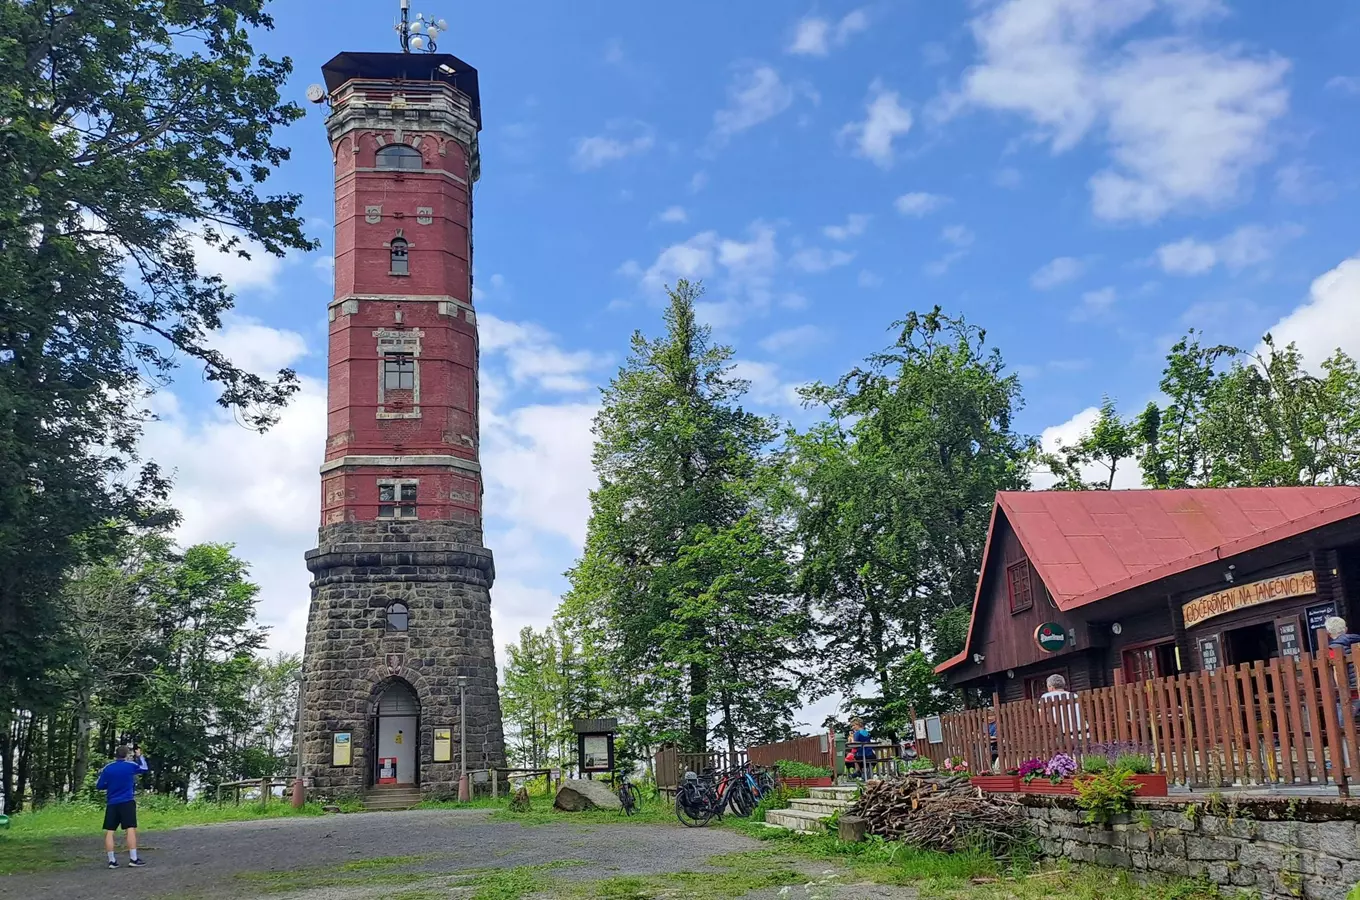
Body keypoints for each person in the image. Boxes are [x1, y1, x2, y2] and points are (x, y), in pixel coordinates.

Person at [95, 745, 149, 868]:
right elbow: (144, 768)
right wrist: (139, 756)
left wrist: (110, 786)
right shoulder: (130, 766)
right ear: (126, 755)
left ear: (116, 755)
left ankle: (112, 861)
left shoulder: (108, 768)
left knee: (110, 831)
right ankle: (133, 858)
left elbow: (99, 785)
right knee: (130, 829)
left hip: (112, 802)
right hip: (127, 801)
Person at [1326, 616, 1360, 718]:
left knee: (1342, 723)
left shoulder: (1333, 649)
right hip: (1357, 686)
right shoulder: (1357, 641)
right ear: (1345, 629)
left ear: (1328, 633)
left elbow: (1337, 672)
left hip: (1351, 691)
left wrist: (1340, 691)